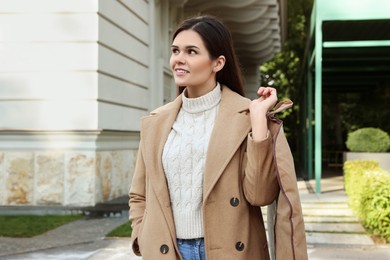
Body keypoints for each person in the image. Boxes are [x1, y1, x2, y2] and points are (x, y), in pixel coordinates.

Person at [129, 15, 308, 260]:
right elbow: (139, 194)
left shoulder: (246, 116)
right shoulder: (155, 122)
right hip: (167, 250)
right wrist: (141, 234)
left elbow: (261, 195)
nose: (178, 59)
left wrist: (258, 122)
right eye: (175, 50)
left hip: (230, 249)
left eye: (191, 52)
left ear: (218, 63)